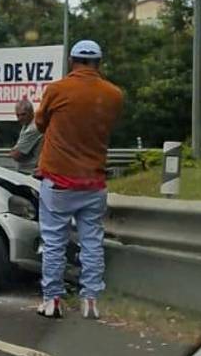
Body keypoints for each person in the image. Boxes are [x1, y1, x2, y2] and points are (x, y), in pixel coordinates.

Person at [33, 40, 124, 321]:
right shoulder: (114, 94)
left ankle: (52, 300)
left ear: (72, 61)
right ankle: (91, 300)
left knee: (53, 243)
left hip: (58, 181)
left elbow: (39, 123)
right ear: (99, 62)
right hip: (94, 182)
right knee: (92, 242)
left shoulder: (58, 89)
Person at [9, 98, 43, 175]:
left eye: (23, 114)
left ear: (31, 112)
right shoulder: (26, 124)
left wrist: (14, 151)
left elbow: (16, 155)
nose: (20, 118)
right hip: (28, 171)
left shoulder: (33, 128)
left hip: (31, 172)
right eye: (18, 115)